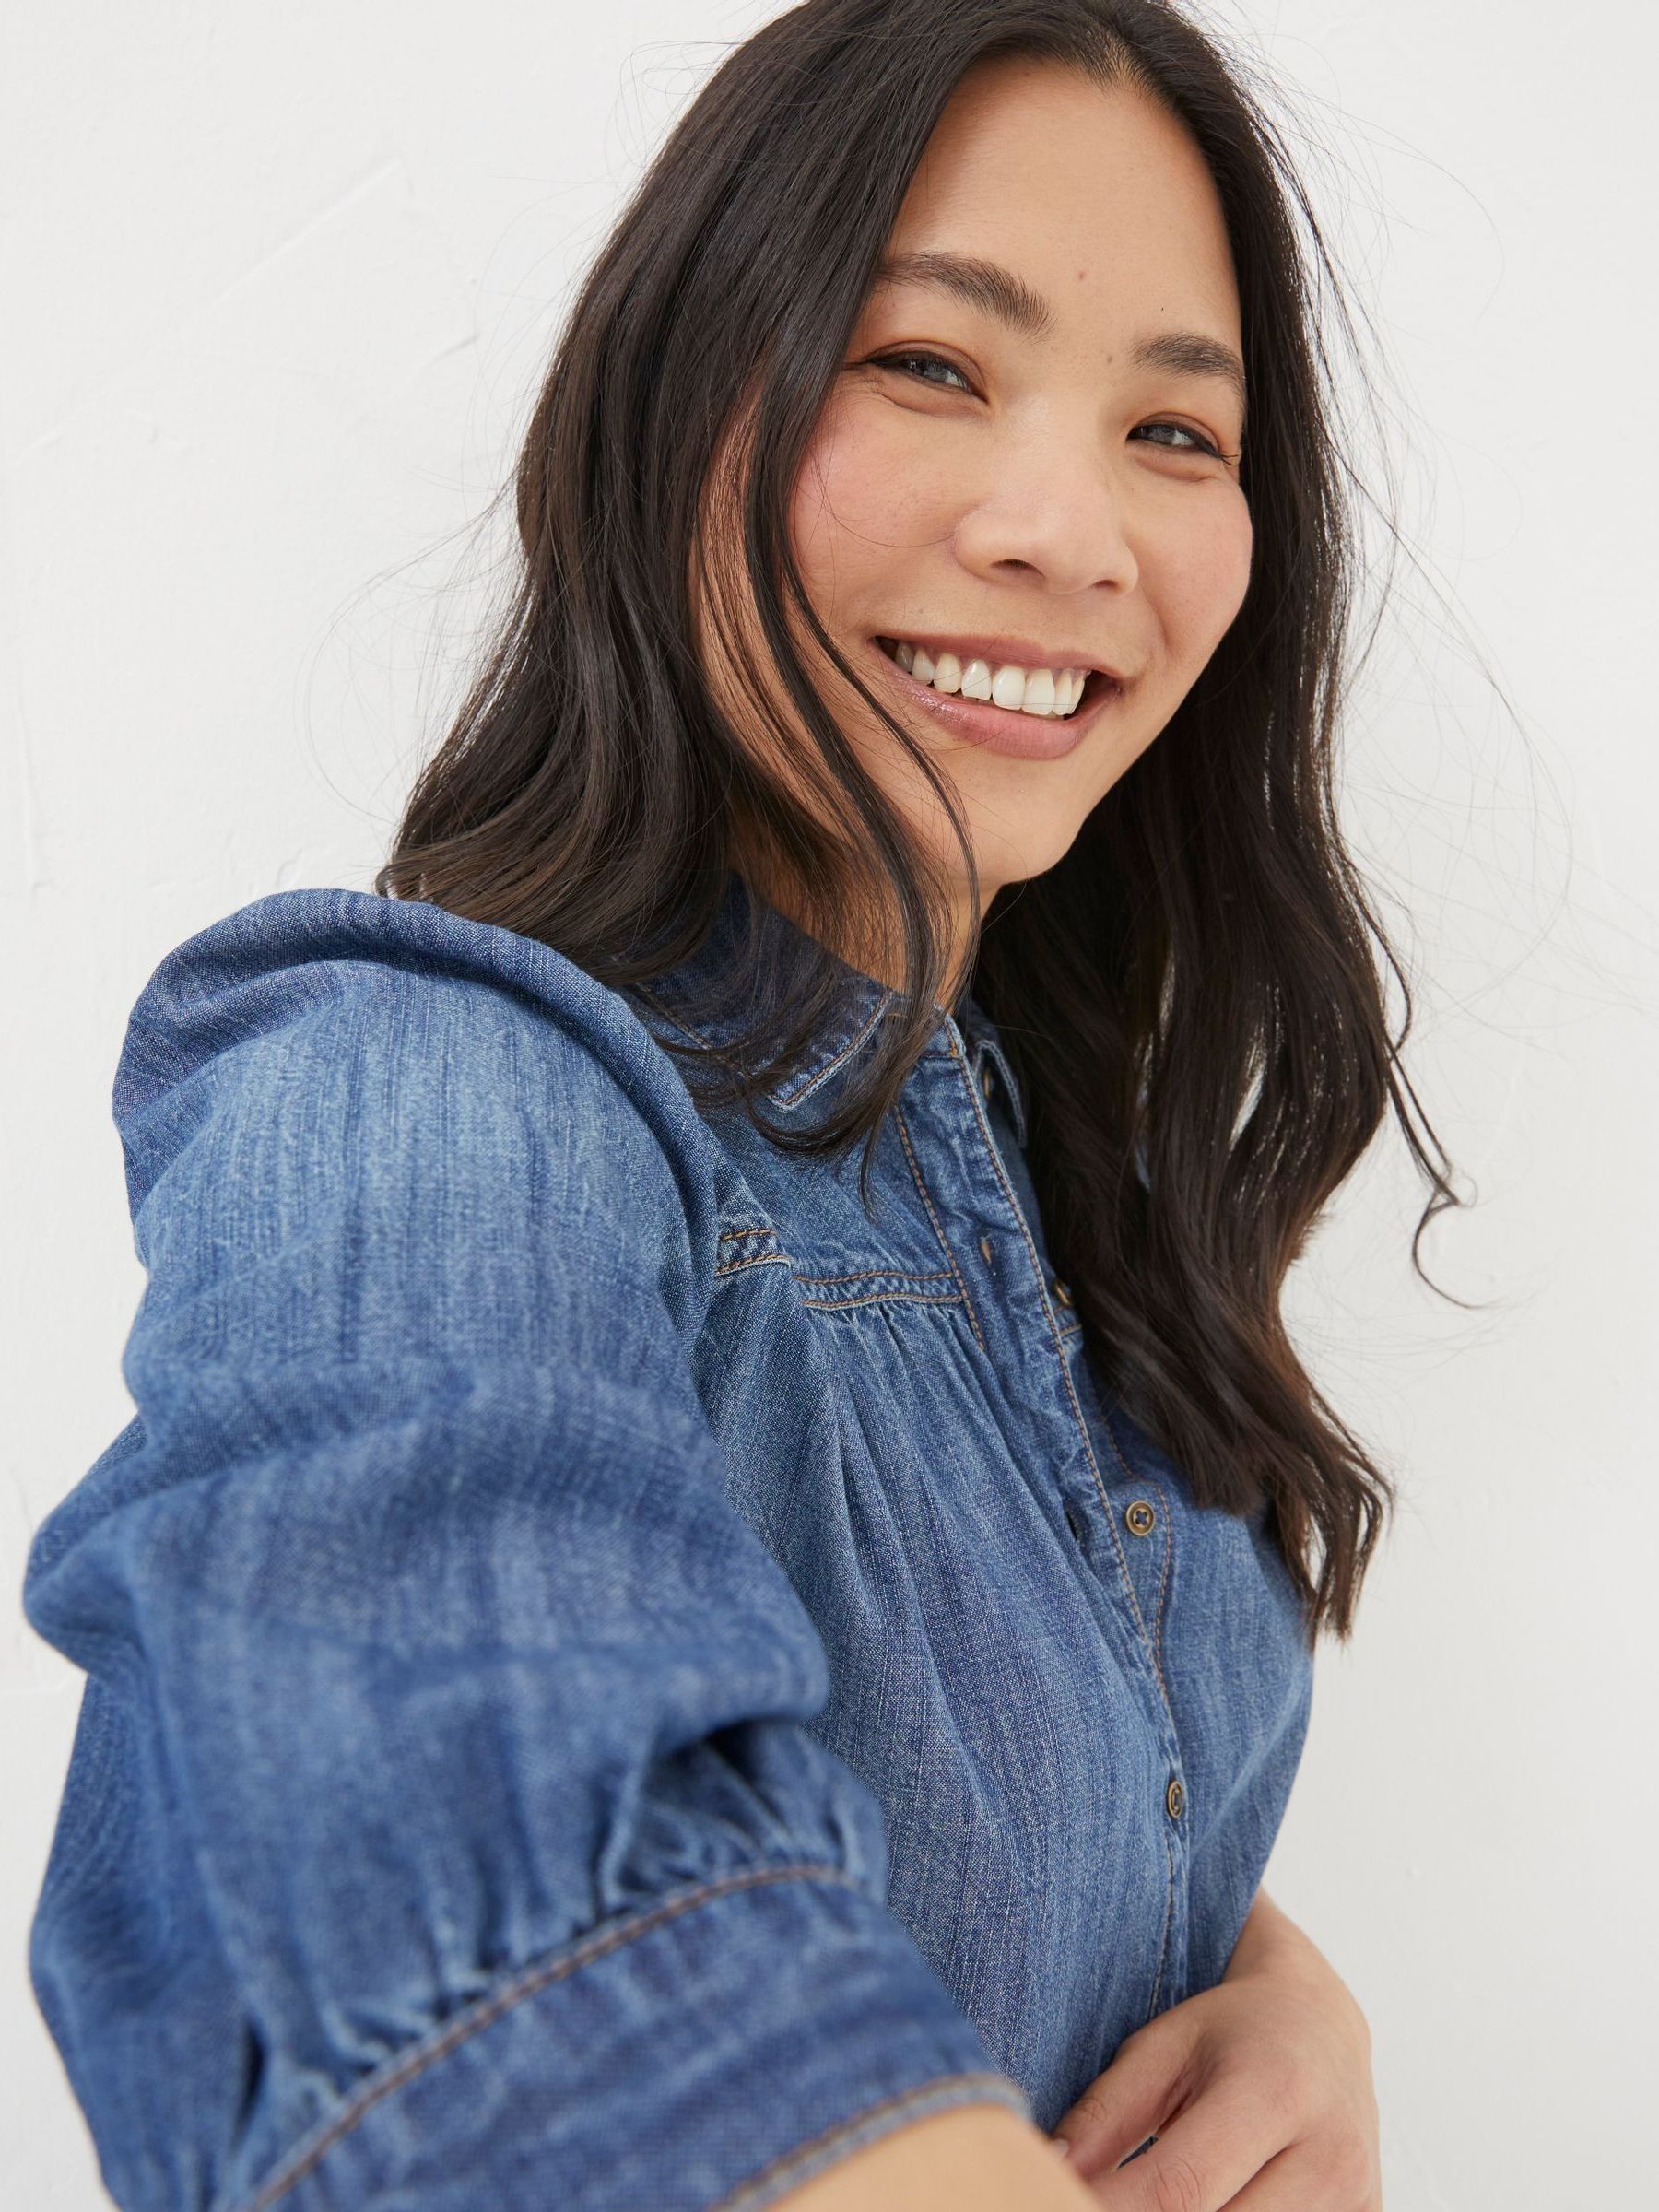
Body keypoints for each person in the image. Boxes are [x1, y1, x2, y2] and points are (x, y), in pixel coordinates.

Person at [22, 2, 1450, 2205]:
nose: (1072, 530)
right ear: (679, 397)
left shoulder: (1047, 1175)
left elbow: (934, 1769)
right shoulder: (426, 1079)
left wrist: (1265, 1971)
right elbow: (507, 1919)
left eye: (1178, 428)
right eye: (930, 364)